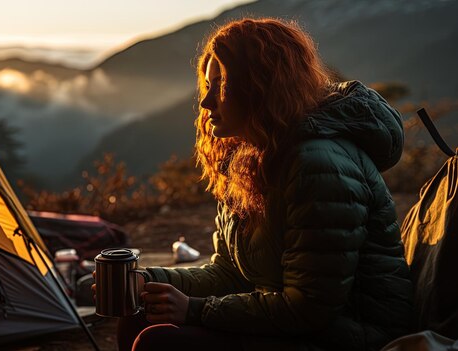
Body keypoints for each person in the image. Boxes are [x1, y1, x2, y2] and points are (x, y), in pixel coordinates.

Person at [94, 17, 413, 351]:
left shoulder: (318, 165)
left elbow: (310, 308)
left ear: (259, 85)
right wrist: (148, 282)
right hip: (298, 322)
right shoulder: (250, 159)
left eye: (221, 84)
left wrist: (194, 310)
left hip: (354, 333)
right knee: (139, 315)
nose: (206, 102)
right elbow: (229, 274)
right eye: (207, 85)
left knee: (159, 342)